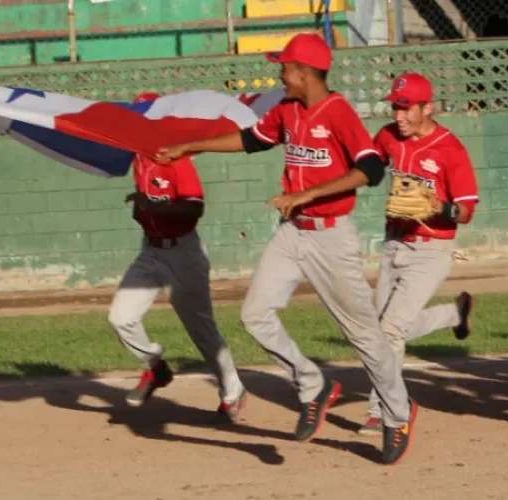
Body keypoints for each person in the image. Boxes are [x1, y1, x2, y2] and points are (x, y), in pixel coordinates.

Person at [154, 33, 416, 465]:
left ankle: (397, 413)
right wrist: (190, 146)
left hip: (332, 237)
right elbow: (252, 140)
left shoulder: (338, 112)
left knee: (364, 334)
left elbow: (370, 168)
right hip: (292, 232)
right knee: (254, 315)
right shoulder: (288, 110)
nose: (279, 74)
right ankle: (312, 384)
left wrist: (308, 195)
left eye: (284, 68)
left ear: (303, 73)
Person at [110, 92, 248, 420]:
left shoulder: (176, 159)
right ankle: (155, 366)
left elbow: (194, 207)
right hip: (151, 252)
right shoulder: (137, 159)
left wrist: (151, 205)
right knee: (120, 318)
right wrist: (142, 206)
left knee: (201, 329)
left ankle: (233, 390)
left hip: (183, 252)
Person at [357, 73, 479, 436]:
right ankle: (454, 313)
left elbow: (467, 211)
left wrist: (436, 206)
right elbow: (369, 167)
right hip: (394, 243)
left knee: (390, 328)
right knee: (384, 330)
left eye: (407, 108)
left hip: (431, 249)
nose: (399, 116)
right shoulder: (388, 137)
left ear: (429, 107)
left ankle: (384, 409)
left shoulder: (450, 149)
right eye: (396, 107)